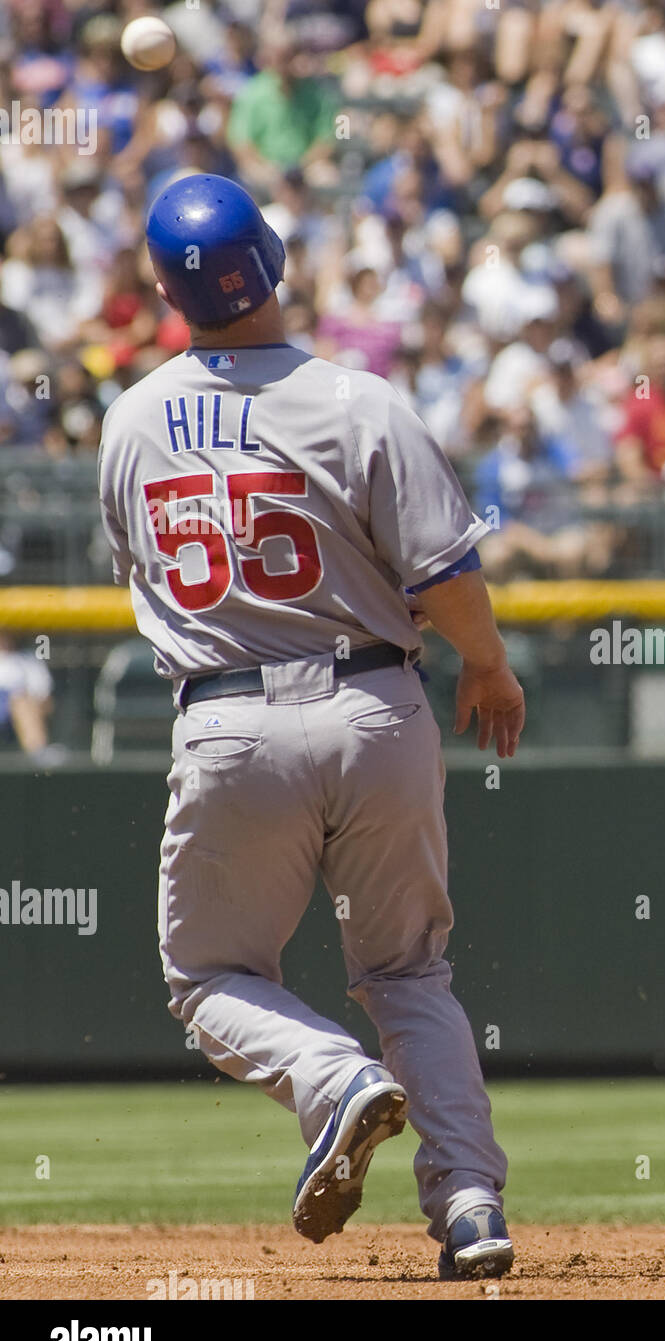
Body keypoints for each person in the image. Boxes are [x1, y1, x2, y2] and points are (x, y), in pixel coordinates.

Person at [96, 174, 524, 1280]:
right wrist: (488, 667)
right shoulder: (359, 401)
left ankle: (333, 1082)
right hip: (377, 704)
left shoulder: (131, 418)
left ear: (165, 290)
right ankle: (471, 1202)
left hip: (230, 720)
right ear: (274, 262)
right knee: (409, 974)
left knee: (207, 979)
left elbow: (141, 568)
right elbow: (448, 574)